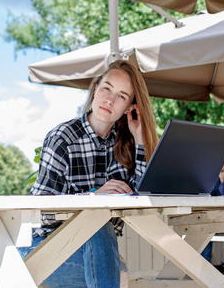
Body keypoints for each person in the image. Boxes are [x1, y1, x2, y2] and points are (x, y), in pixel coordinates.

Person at [18, 60, 159, 288]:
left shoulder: (124, 146)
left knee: (101, 235)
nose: (110, 100)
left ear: (129, 108)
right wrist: (93, 197)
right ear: (95, 89)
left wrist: (141, 138)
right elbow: (40, 212)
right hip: (40, 247)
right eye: (107, 88)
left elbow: (144, 199)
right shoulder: (62, 138)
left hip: (93, 250)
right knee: (99, 226)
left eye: (122, 96)